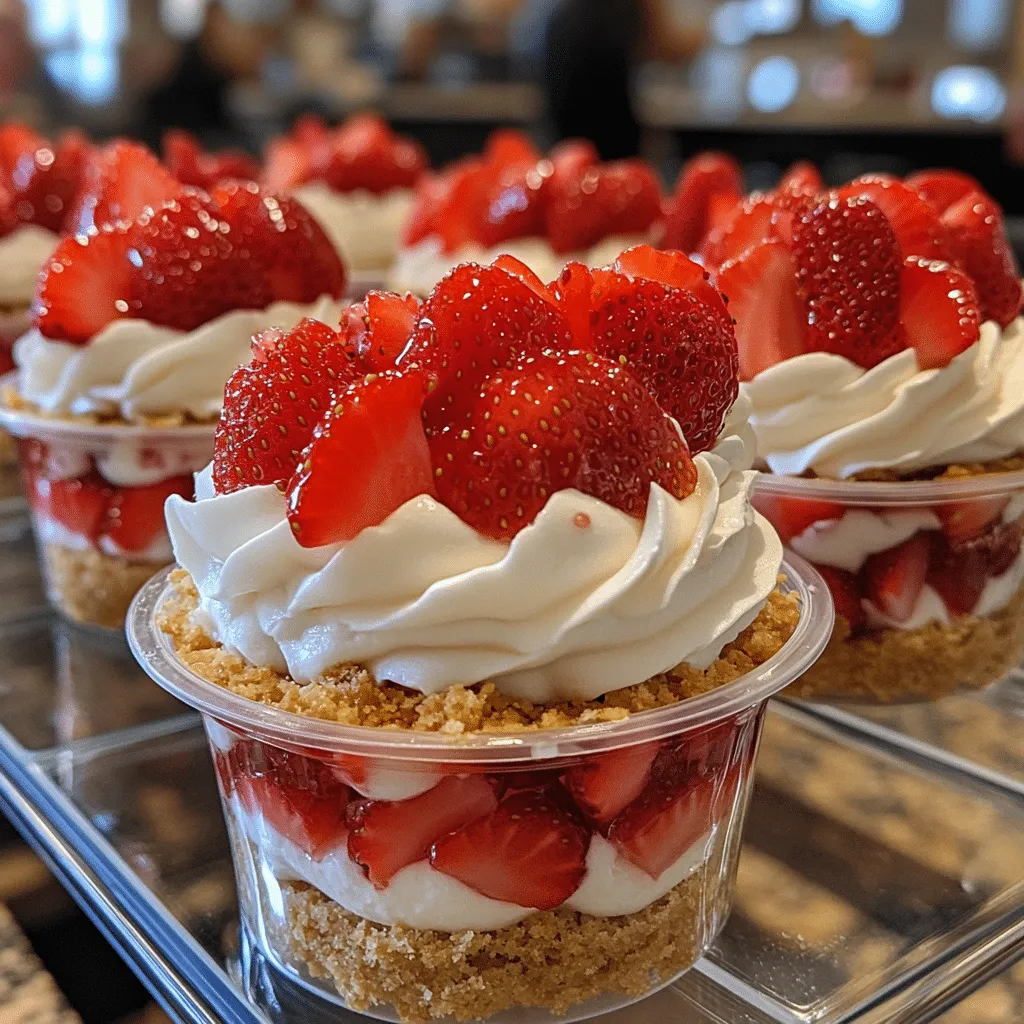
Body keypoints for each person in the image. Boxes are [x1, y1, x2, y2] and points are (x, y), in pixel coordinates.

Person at [543, 0, 702, 159]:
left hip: (567, 147)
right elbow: (668, 48)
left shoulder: (564, 11)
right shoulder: (627, 7)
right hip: (613, 140)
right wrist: (708, 31)